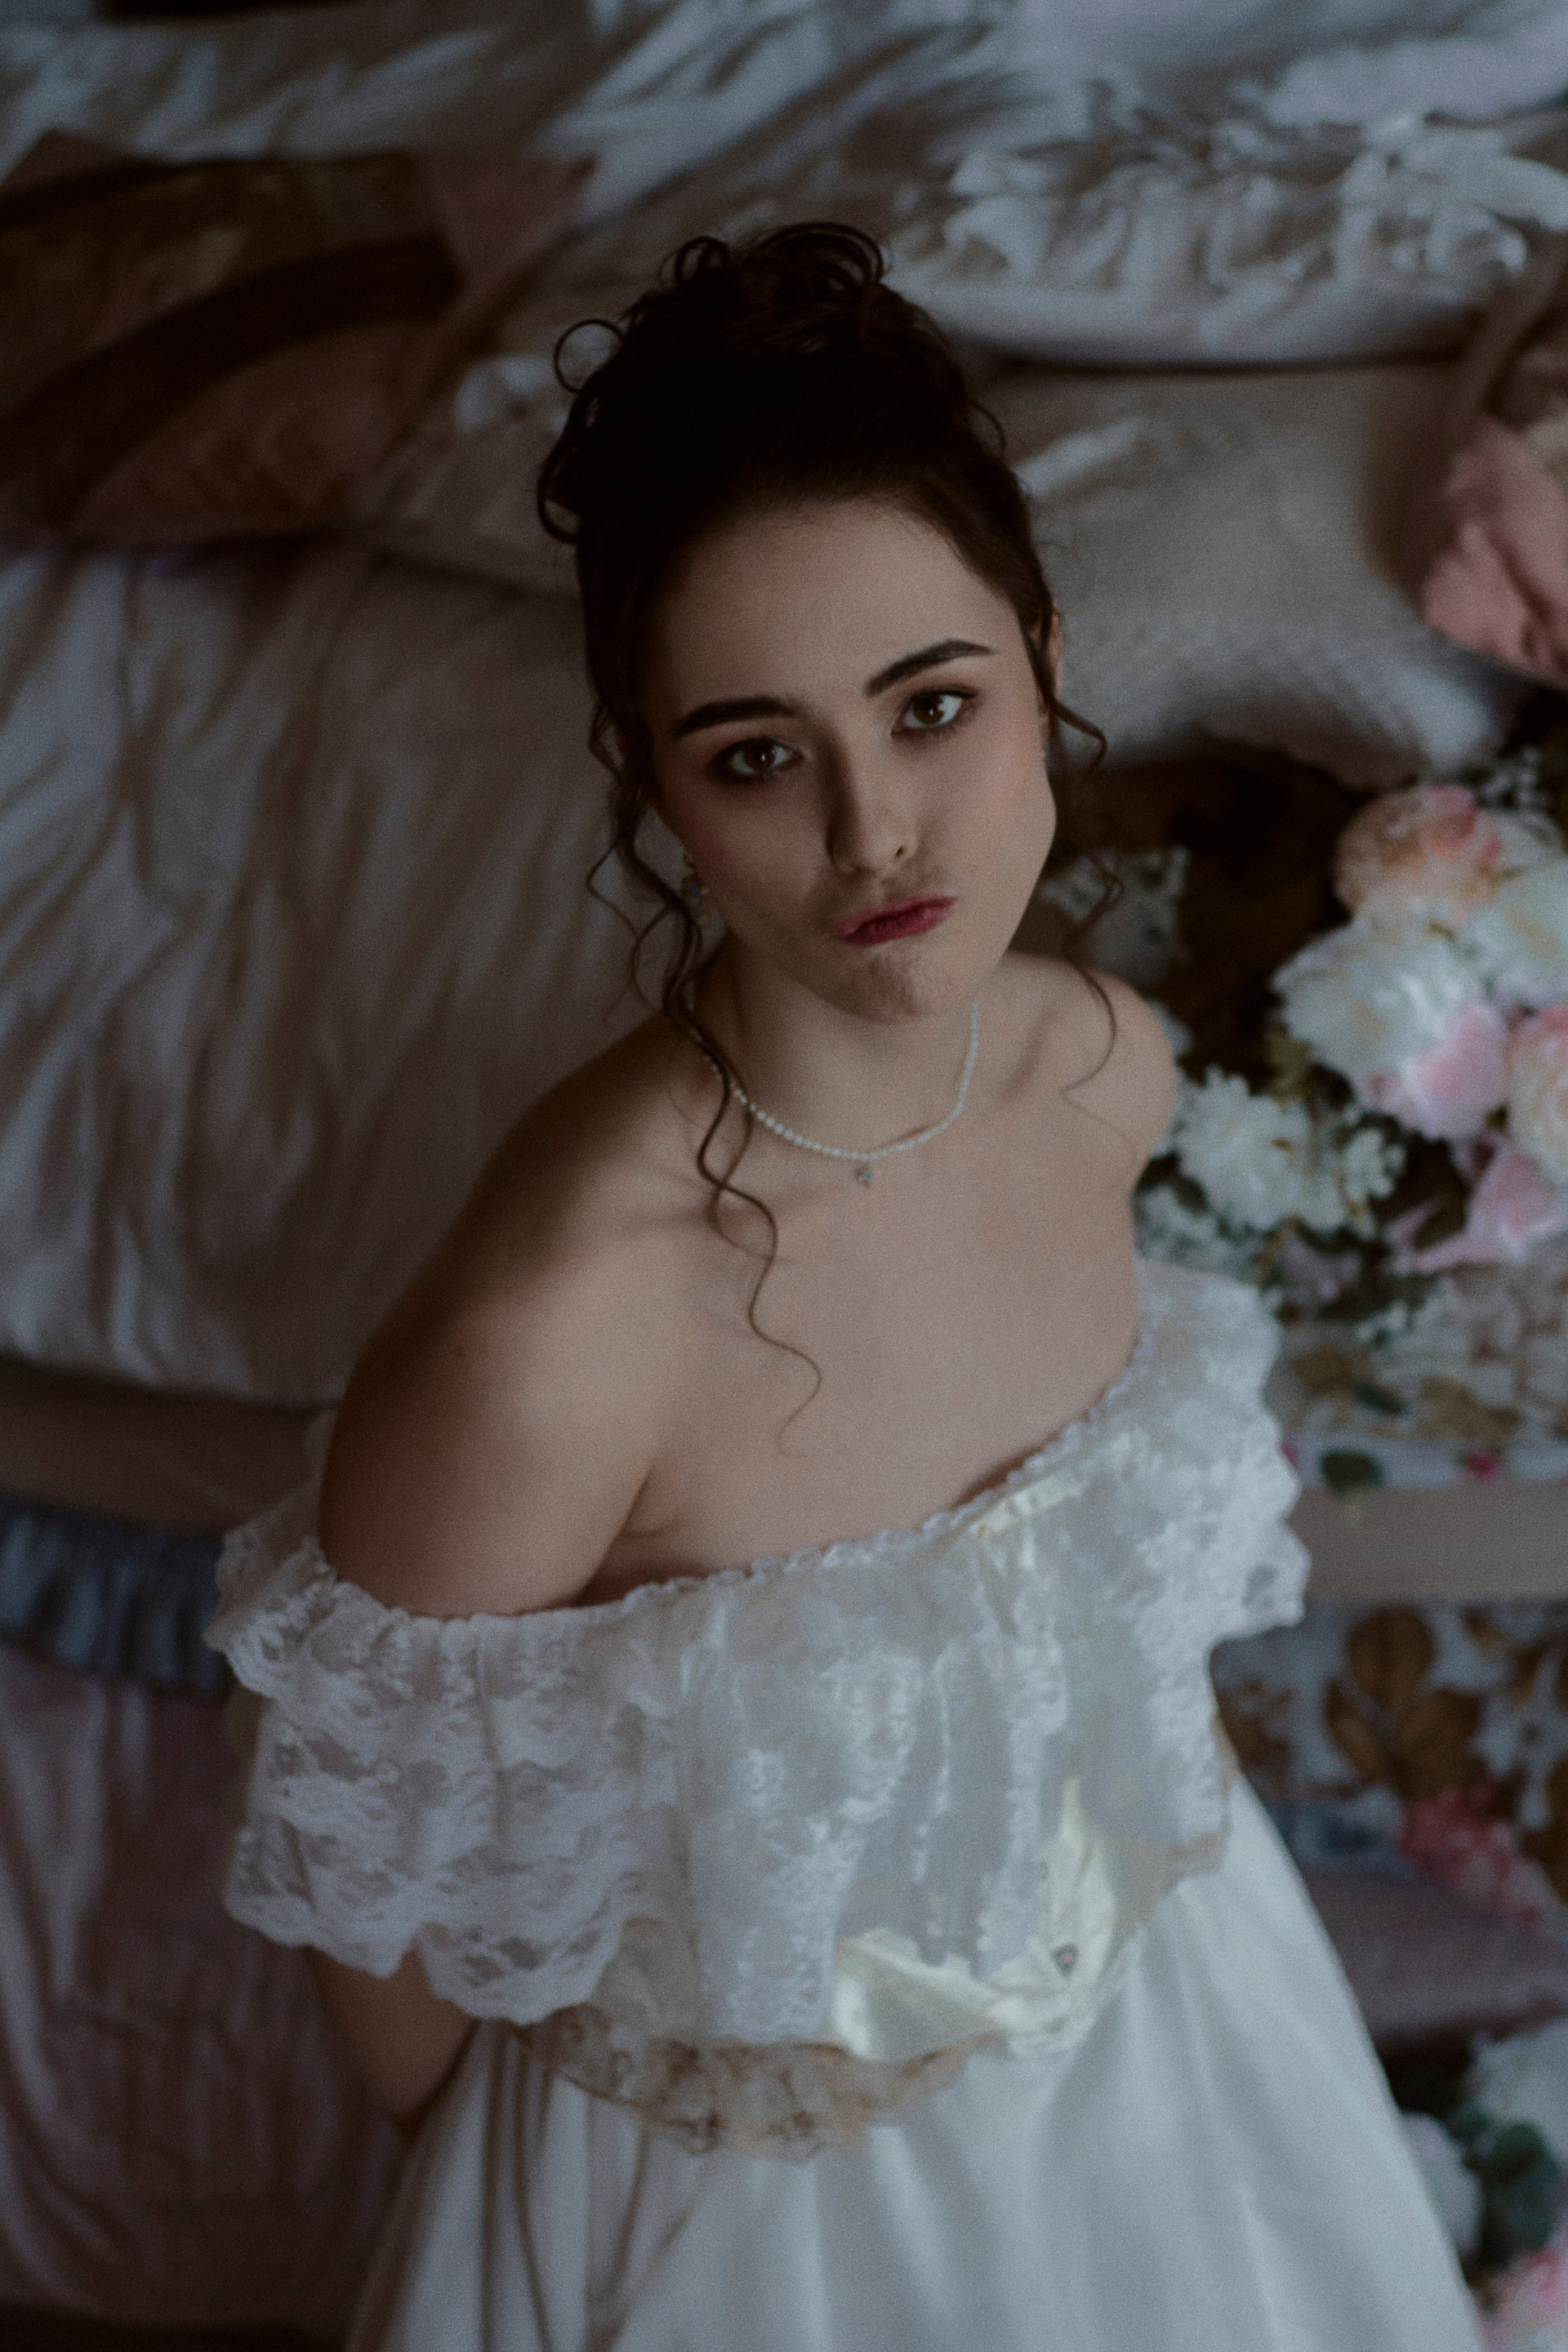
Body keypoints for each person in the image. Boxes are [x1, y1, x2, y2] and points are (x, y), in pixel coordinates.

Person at [207, 224, 1483, 2351]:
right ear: (658, 787)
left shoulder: (1101, 1070)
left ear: (1044, 660)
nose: (878, 831)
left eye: (933, 706)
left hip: (1176, 2049)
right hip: (746, 2215)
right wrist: (527, 2225)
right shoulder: (555, 1334)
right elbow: (382, 1917)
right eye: (757, 754)